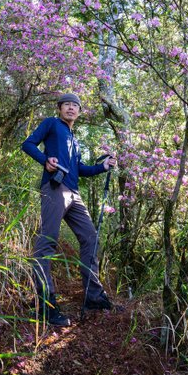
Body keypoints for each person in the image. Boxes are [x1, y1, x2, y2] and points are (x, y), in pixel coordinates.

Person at [22, 93, 115, 326]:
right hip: (55, 189)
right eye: (67, 105)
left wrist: (102, 167)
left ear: (79, 112)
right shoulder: (52, 124)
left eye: (75, 106)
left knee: (91, 238)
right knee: (47, 242)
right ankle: (46, 304)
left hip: (74, 193)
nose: (71, 108)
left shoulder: (74, 138)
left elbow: (80, 169)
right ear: (60, 108)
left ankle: (93, 296)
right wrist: (44, 160)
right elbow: (28, 144)